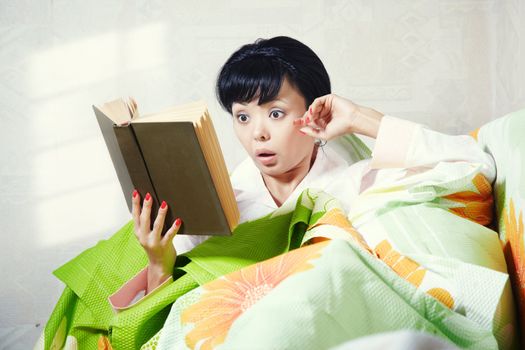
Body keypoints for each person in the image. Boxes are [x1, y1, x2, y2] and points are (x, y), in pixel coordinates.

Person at [108, 36, 495, 310]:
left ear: (314, 111)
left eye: (275, 113)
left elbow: (474, 165)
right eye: (243, 116)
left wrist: (360, 118)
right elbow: (166, 321)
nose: (257, 132)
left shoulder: (352, 184)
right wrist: (158, 261)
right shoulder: (223, 206)